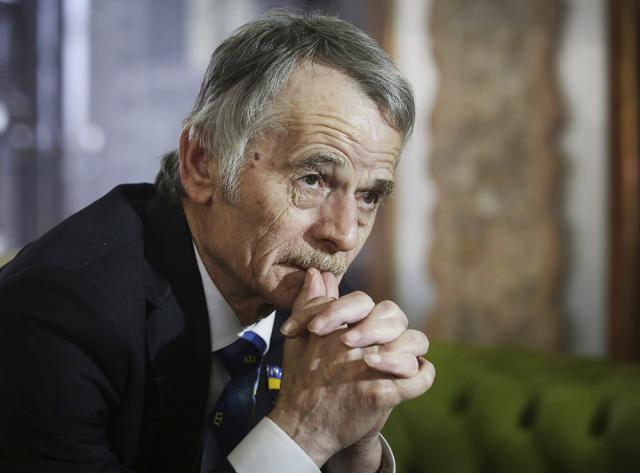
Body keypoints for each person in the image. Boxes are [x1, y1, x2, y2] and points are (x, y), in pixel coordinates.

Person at [0, 9, 434, 473]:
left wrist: (352, 451)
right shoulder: (57, 313)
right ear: (203, 162)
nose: (344, 234)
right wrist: (307, 433)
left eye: (368, 196)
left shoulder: (308, 290)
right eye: (312, 179)